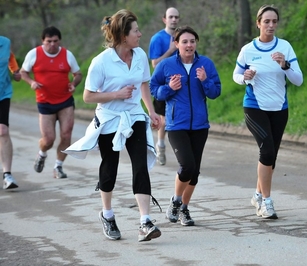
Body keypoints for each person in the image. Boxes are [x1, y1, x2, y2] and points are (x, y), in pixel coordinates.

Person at [63, 9, 162, 242]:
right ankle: (107, 214)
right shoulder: (101, 62)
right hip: (109, 119)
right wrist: (116, 94)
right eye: (135, 30)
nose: (140, 34)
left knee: (140, 164)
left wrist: (151, 111)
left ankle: (145, 222)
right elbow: (87, 96)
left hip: (134, 116)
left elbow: (144, 84)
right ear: (123, 35)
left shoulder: (139, 55)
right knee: (110, 167)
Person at [233, 5, 303, 219]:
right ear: (258, 23)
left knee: (270, 156)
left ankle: (257, 195)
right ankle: (267, 202)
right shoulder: (248, 49)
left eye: (274, 21)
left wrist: (285, 65)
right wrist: (245, 76)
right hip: (254, 106)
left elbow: (298, 80)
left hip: (279, 108)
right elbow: (236, 76)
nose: (271, 25)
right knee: (267, 152)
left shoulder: (285, 47)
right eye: (267, 21)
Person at [150, 26, 221, 226]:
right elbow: (154, 89)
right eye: (184, 42)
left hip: (200, 125)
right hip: (176, 125)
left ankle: (184, 209)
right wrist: (169, 89)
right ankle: (176, 200)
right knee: (187, 166)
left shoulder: (205, 64)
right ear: (176, 44)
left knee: (195, 171)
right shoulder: (165, 65)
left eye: (192, 41)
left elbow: (216, 92)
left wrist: (205, 81)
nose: (189, 45)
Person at [20, 26, 82, 179]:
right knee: (48, 139)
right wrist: (31, 82)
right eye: (49, 41)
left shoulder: (67, 54)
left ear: (59, 41)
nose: (52, 44)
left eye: (55, 41)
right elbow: (23, 72)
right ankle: (42, 154)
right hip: (45, 102)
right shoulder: (34, 54)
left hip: (65, 101)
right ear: (43, 41)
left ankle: (58, 167)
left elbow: (78, 74)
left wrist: (74, 84)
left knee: (66, 135)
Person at [148, 7, 180, 166]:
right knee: (165, 120)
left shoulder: (183, 37)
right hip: (163, 85)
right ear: (164, 19)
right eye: (171, 17)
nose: (174, 20)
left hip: (180, 84)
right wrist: (171, 50)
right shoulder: (157, 38)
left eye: (176, 17)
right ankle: (160, 145)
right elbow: (154, 64)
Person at [0, 36, 21, 189]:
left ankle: (7, 174)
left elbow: (10, 57)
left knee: (3, 130)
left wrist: (15, 71)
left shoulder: (5, 42)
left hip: (3, 93)